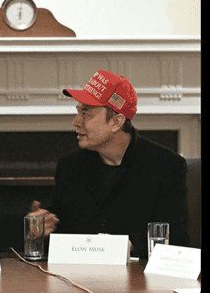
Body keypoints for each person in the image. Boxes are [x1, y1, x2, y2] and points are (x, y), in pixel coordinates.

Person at [30, 69, 189, 258]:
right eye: (78, 112)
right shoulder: (69, 165)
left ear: (116, 122)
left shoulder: (165, 165)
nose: (75, 122)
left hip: (137, 274)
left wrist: (126, 245)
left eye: (86, 114)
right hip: (78, 272)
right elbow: (62, 230)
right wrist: (43, 228)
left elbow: (176, 238)